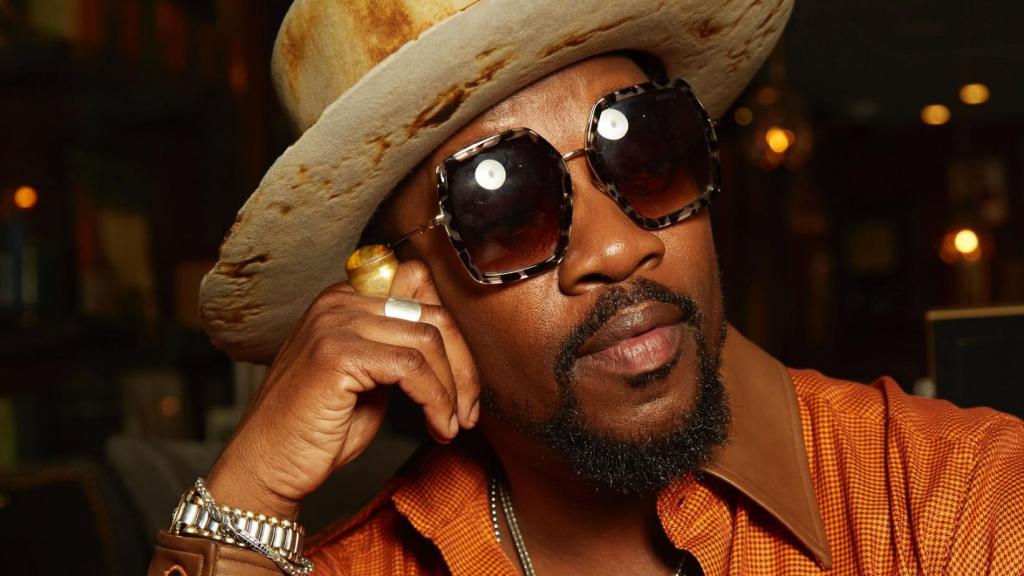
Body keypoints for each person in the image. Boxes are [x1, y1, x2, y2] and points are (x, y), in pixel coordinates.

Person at [148, 1, 1024, 575]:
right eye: (505, 207)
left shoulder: (958, 498)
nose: (618, 245)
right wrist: (245, 495)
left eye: (647, 155)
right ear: (408, 292)